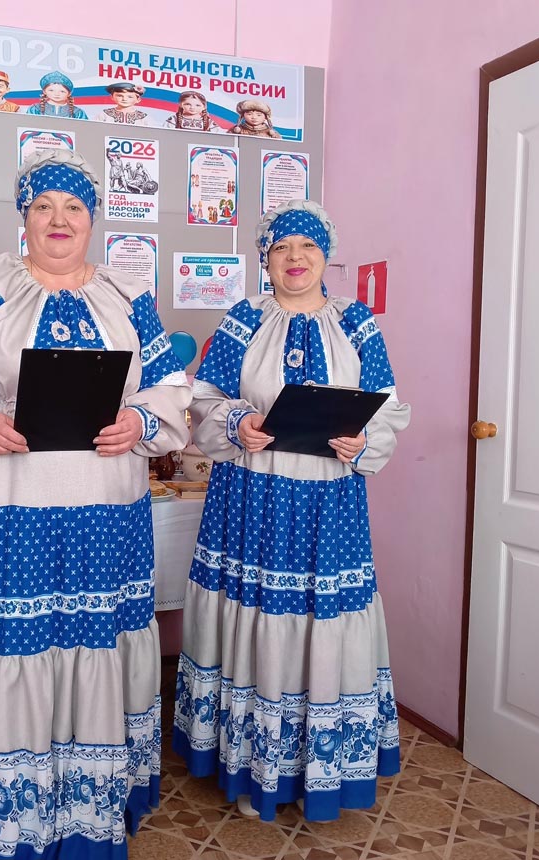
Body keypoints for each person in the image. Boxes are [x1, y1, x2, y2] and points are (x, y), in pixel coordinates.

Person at [0, 148, 192, 858]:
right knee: (17, 641)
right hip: (9, 503)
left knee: (95, 640)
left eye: (73, 207)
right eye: (43, 207)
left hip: (107, 505)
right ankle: (8, 807)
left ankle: (89, 802)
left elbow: (170, 385)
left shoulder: (128, 294)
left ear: (92, 220)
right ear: (24, 218)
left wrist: (142, 420)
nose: (58, 220)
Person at [172, 199, 410, 823]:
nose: (295, 258)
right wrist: (238, 421)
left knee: (317, 621)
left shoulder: (356, 322)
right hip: (252, 497)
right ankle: (253, 768)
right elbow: (205, 398)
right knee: (260, 617)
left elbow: (386, 404)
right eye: (282, 248)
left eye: (307, 247)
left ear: (326, 256)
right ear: (265, 259)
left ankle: (313, 768)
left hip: (330, 503)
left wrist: (365, 439)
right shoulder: (243, 319)